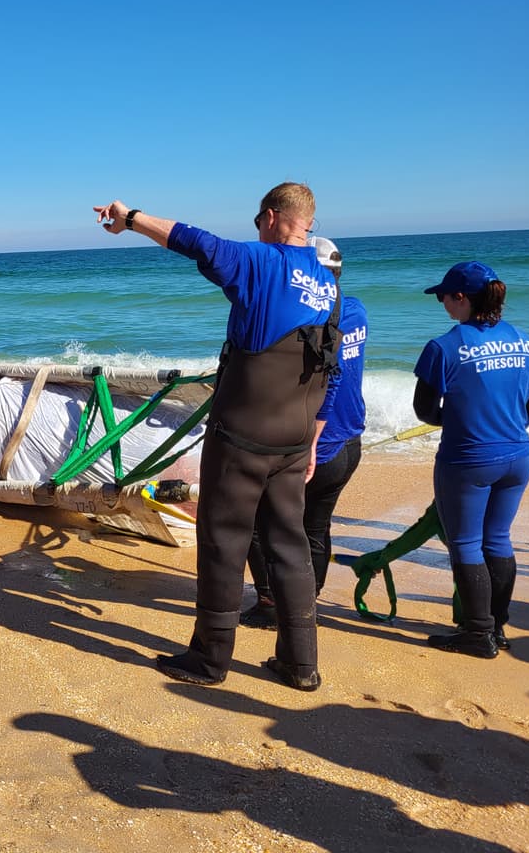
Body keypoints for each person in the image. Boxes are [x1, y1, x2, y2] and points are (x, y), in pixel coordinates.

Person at [94, 183, 340, 691]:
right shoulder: (327, 281)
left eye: (257, 222)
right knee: (289, 544)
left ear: (271, 218)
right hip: (294, 440)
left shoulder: (260, 262)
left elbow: (194, 240)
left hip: (244, 434)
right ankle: (300, 664)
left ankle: (209, 660)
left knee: (223, 542)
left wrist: (131, 216)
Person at [413, 261, 529, 657]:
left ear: (462, 298)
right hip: (518, 454)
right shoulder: (526, 341)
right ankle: (497, 627)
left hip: (468, 459)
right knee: (498, 539)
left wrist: (459, 420)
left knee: (466, 544)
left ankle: (476, 633)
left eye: (444, 297)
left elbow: (423, 409)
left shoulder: (444, 346)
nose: (442, 304)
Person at [242, 237, 366, 628]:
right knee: (315, 527)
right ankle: (305, 606)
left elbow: (323, 383)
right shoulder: (356, 310)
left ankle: (271, 605)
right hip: (350, 440)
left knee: (262, 526)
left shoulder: (308, 319)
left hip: (316, 445)